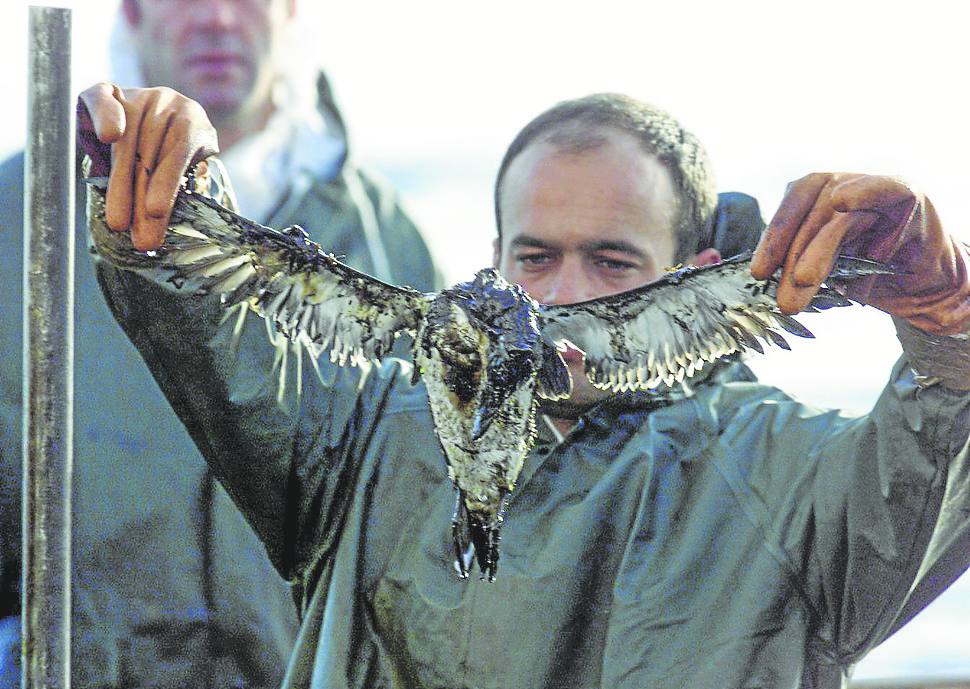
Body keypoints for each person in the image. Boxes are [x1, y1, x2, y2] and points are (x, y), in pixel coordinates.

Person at [79, 84, 969, 689]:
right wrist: (158, 192)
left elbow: (936, 457)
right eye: (535, 256)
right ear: (493, 260)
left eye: (613, 260)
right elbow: (217, 320)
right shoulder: (359, 442)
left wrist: (950, 324)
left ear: (695, 271)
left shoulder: (790, 480)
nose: (561, 296)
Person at [0, 0, 438, 685]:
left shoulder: (388, 237)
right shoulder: (20, 211)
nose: (217, 19)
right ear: (133, 14)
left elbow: (423, 535)